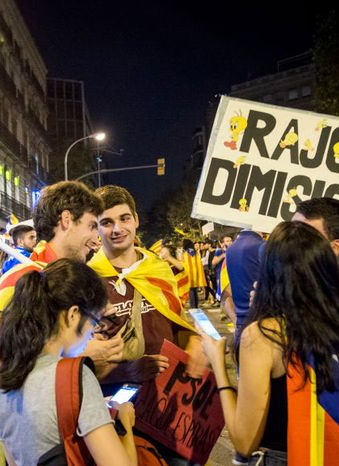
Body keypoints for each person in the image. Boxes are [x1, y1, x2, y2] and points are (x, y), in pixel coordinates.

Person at [201, 221, 339, 465]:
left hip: (289, 456)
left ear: (270, 270)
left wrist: (218, 364)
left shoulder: (265, 334)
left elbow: (244, 441)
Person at [0, 181, 119, 465]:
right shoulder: (24, 279)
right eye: (92, 226)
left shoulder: (57, 275)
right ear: (67, 220)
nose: (98, 238)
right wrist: (81, 356)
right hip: (17, 447)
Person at [89, 185, 208, 466]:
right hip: (115, 406)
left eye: (124, 218)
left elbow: (178, 322)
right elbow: (76, 358)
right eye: (106, 222)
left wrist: (194, 342)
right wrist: (127, 369)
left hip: (168, 404)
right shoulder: (86, 279)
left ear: (136, 220)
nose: (117, 229)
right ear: (95, 228)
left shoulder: (159, 269)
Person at [0, 259, 137, 466]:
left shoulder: (0, 382)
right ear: (73, 315)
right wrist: (125, 423)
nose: (92, 334)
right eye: (94, 322)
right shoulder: (75, 378)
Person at [224, 229, 265, 343]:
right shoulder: (263, 246)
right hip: (260, 322)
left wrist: (235, 318)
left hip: (240, 320)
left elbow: (224, 290)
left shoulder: (230, 249)